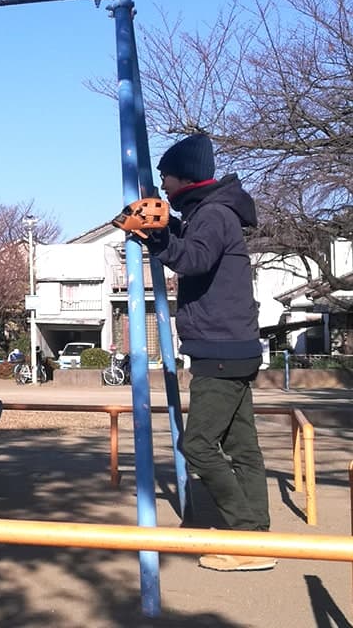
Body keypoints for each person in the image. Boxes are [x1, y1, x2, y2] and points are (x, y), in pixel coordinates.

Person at [139, 132, 275, 572]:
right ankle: (255, 533)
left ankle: (245, 535)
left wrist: (158, 239)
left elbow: (193, 259)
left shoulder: (214, 214)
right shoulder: (212, 213)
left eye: (166, 178)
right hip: (232, 344)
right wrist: (167, 229)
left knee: (196, 444)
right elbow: (194, 246)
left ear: (186, 178)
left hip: (220, 346)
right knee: (242, 446)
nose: (162, 187)